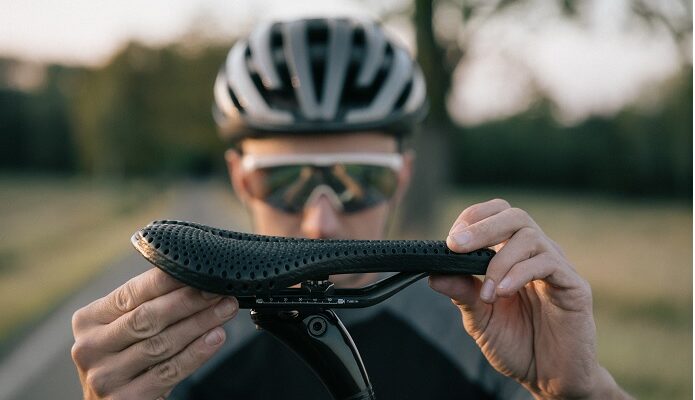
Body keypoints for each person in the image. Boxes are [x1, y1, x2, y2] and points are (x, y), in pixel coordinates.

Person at [70, 17, 632, 400]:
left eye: (358, 180)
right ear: (241, 179)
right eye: (286, 182)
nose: (320, 221)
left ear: (402, 178)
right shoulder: (178, 350)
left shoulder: (486, 334)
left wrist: (579, 390)